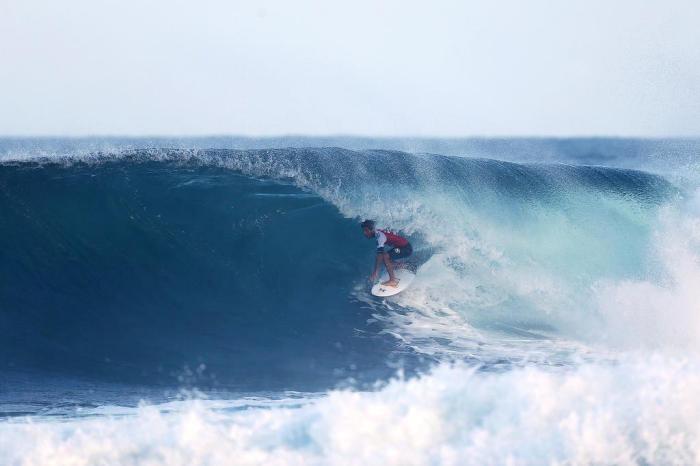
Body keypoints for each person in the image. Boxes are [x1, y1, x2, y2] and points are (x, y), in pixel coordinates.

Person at [361, 219, 412, 287]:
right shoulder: (378, 231)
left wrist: (375, 272)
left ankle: (392, 280)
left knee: (385, 256)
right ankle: (402, 265)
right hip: (401, 247)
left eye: (366, 230)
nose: (364, 233)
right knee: (385, 257)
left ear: (372, 229)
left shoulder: (380, 236)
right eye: (363, 230)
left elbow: (380, 256)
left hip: (406, 249)